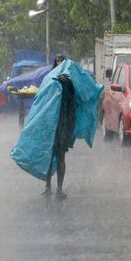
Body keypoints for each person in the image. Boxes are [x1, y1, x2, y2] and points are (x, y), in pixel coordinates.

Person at [43, 54, 74, 198]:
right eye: (58, 61)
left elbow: (72, 101)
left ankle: (59, 188)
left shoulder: (69, 81)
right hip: (50, 124)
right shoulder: (49, 78)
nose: (60, 63)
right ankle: (48, 186)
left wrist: (67, 83)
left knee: (60, 156)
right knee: (48, 156)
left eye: (62, 60)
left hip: (63, 123)